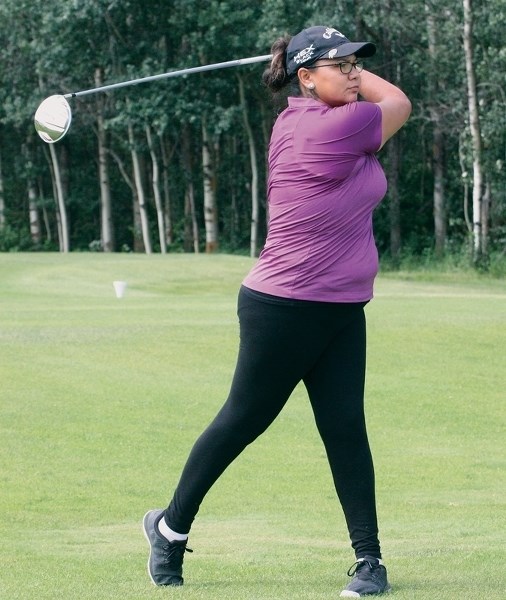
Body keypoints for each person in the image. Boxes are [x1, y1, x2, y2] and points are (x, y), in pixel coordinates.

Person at [143, 25, 411, 598]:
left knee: (345, 430)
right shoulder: (342, 124)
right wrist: (347, 77)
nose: (354, 72)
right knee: (243, 421)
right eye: (339, 65)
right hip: (284, 306)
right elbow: (399, 103)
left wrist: (329, 65)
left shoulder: (299, 117)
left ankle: (370, 562)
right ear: (306, 78)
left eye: (356, 63)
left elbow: (371, 103)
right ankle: (169, 527)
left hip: (340, 306)